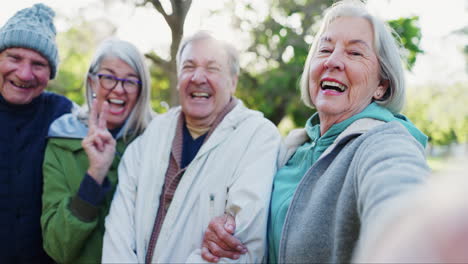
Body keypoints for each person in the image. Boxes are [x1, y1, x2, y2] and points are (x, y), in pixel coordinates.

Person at [201, 0, 431, 263]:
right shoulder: (289, 150)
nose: (332, 61)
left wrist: (412, 233)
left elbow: (399, 193)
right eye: (325, 49)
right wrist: (227, 227)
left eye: (355, 53)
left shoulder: (383, 142)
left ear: (381, 86)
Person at [101, 31, 281, 263]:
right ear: (178, 78)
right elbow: (119, 233)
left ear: (233, 81)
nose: (198, 77)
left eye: (212, 68)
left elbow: (241, 247)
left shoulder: (258, 138)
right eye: (189, 66)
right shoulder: (150, 137)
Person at [40, 38, 154, 263]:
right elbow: (56, 247)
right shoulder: (62, 141)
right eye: (108, 78)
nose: (119, 89)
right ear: (92, 82)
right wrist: (95, 174)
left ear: (141, 90)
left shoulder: (157, 140)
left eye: (130, 82)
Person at [0, 4, 73, 263]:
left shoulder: (64, 115)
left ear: (50, 73)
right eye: (14, 58)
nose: (24, 73)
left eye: (38, 64)